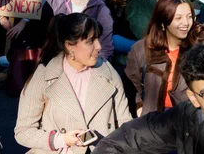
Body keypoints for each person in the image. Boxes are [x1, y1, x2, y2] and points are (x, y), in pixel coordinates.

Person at [14, 13, 131, 152]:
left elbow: (125, 124)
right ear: (69, 45)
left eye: (98, 39)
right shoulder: (44, 75)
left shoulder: (108, 72)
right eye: (90, 41)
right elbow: (23, 131)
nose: (98, 46)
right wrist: (60, 140)